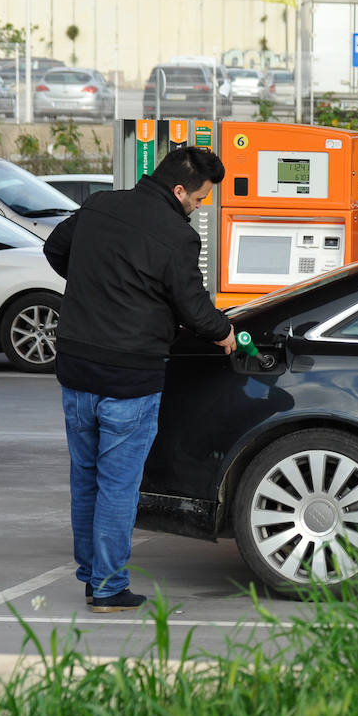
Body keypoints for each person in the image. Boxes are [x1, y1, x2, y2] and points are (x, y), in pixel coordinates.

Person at [44, 146, 236, 613]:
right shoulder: (176, 236)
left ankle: (92, 573)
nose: (199, 206)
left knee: (85, 477)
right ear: (178, 190)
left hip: (76, 366)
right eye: (200, 198)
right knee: (118, 485)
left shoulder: (99, 206)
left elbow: (54, 249)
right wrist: (224, 332)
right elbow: (193, 308)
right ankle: (108, 587)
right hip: (129, 377)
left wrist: (94, 282)